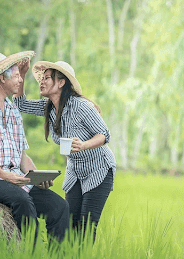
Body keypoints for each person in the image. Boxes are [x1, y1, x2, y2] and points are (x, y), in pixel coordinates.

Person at [0, 51, 69, 243]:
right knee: (23, 201)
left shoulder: (12, 111)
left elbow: (21, 155)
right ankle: (30, 258)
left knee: (59, 207)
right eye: (16, 75)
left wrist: (36, 176)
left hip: (13, 177)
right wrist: (5, 175)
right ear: (2, 78)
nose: (20, 80)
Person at [13, 60, 116, 242]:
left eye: (47, 78)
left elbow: (104, 134)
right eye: (41, 78)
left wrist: (84, 145)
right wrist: (21, 75)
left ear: (61, 83)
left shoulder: (80, 106)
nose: (41, 82)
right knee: (68, 223)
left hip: (98, 169)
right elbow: (21, 105)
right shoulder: (49, 108)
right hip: (75, 170)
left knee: (85, 227)